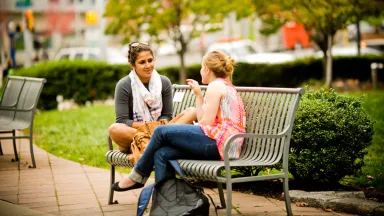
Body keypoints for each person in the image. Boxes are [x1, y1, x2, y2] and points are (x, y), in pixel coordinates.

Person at [112, 50, 246, 191]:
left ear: (206, 69)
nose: (200, 71)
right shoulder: (223, 85)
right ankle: (165, 201)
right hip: (223, 145)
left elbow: (205, 124)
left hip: (220, 144)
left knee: (160, 132)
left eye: (201, 67)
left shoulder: (215, 87)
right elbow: (204, 121)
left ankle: (136, 176)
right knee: (162, 153)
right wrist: (199, 97)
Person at [108, 41, 195, 153]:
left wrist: (157, 128)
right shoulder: (124, 85)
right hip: (136, 131)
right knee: (115, 129)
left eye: (150, 60)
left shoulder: (164, 82)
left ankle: (148, 145)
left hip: (162, 129)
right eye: (142, 62)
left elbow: (166, 115)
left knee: (192, 112)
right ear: (132, 65)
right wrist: (149, 128)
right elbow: (123, 121)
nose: (148, 65)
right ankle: (157, 143)